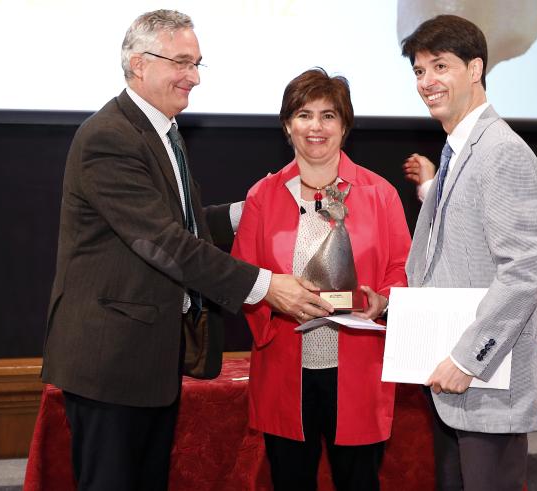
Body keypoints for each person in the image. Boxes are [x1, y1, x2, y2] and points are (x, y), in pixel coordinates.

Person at [40, 10, 331, 490]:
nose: (194, 77)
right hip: (109, 362)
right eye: (182, 63)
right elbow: (163, 242)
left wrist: (253, 209)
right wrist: (263, 286)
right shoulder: (108, 138)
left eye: (197, 64)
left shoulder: (163, 133)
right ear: (139, 64)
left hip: (148, 359)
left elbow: (187, 225)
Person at [231, 68, 412, 490]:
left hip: (359, 368)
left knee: (360, 482)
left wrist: (383, 301)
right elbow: (243, 274)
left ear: (345, 126)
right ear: (287, 125)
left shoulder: (379, 193)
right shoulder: (263, 195)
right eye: (304, 114)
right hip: (285, 367)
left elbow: (402, 267)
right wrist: (274, 298)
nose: (316, 127)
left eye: (329, 115)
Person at [400, 15, 537, 491]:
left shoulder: (502, 151)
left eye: (439, 66)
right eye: (419, 71)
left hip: (486, 381)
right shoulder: (457, 150)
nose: (427, 82)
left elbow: (523, 272)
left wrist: (467, 359)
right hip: (452, 382)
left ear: (475, 68)